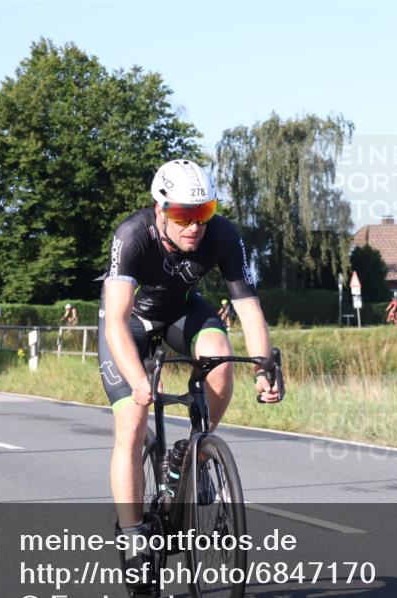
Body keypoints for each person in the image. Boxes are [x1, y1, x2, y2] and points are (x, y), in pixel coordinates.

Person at [97, 159, 281, 574]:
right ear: (160, 209)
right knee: (132, 421)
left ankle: (193, 455)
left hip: (181, 313)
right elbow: (116, 322)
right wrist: (138, 379)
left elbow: (249, 309)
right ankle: (133, 537)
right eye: (183, 215)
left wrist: (263, 369)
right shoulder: (131, 236)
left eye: (204, 212)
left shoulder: (223, 235)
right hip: (128, 324)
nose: (195, 226)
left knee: (220, 358)